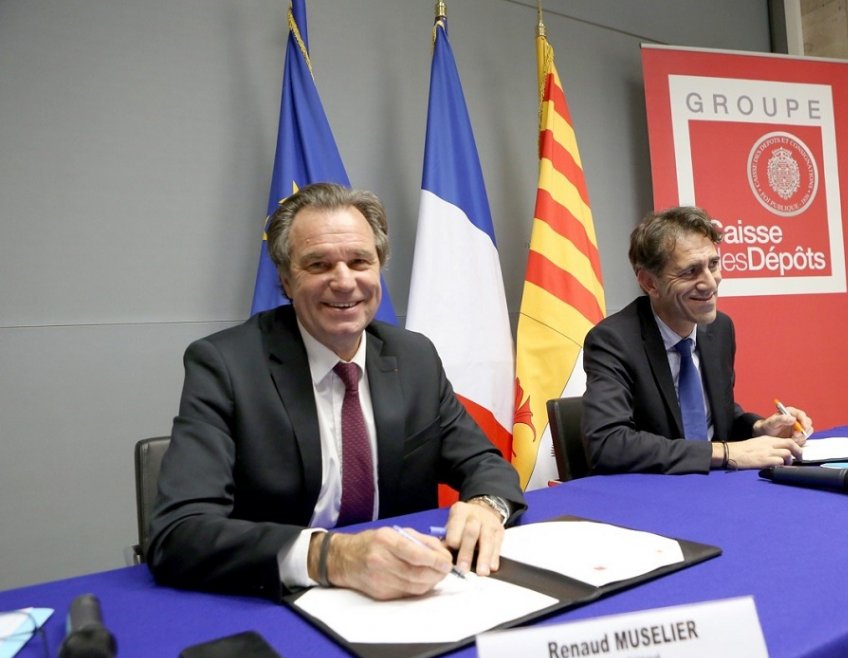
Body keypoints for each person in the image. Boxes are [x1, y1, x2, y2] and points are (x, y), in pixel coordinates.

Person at [148, 182, 525, 600]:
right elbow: (179, 532)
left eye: (359, 261)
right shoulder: (225, 366)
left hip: (406, 593)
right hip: (281, 597)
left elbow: (484, 464)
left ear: (379, 266)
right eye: (318, 265)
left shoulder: (414, 356)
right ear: (287, 281)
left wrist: (486, 508)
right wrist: (332, 556)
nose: (344, 282)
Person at [582, 206, 812, 475]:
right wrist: (725, 453)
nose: (710, 283)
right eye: (691, 271)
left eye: (713, 265)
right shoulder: (613, 341)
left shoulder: (719, 329)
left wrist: (758, 428)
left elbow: (717, 418)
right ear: (649, 283)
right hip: (654, 494)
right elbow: (608, 444)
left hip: (715, 487)